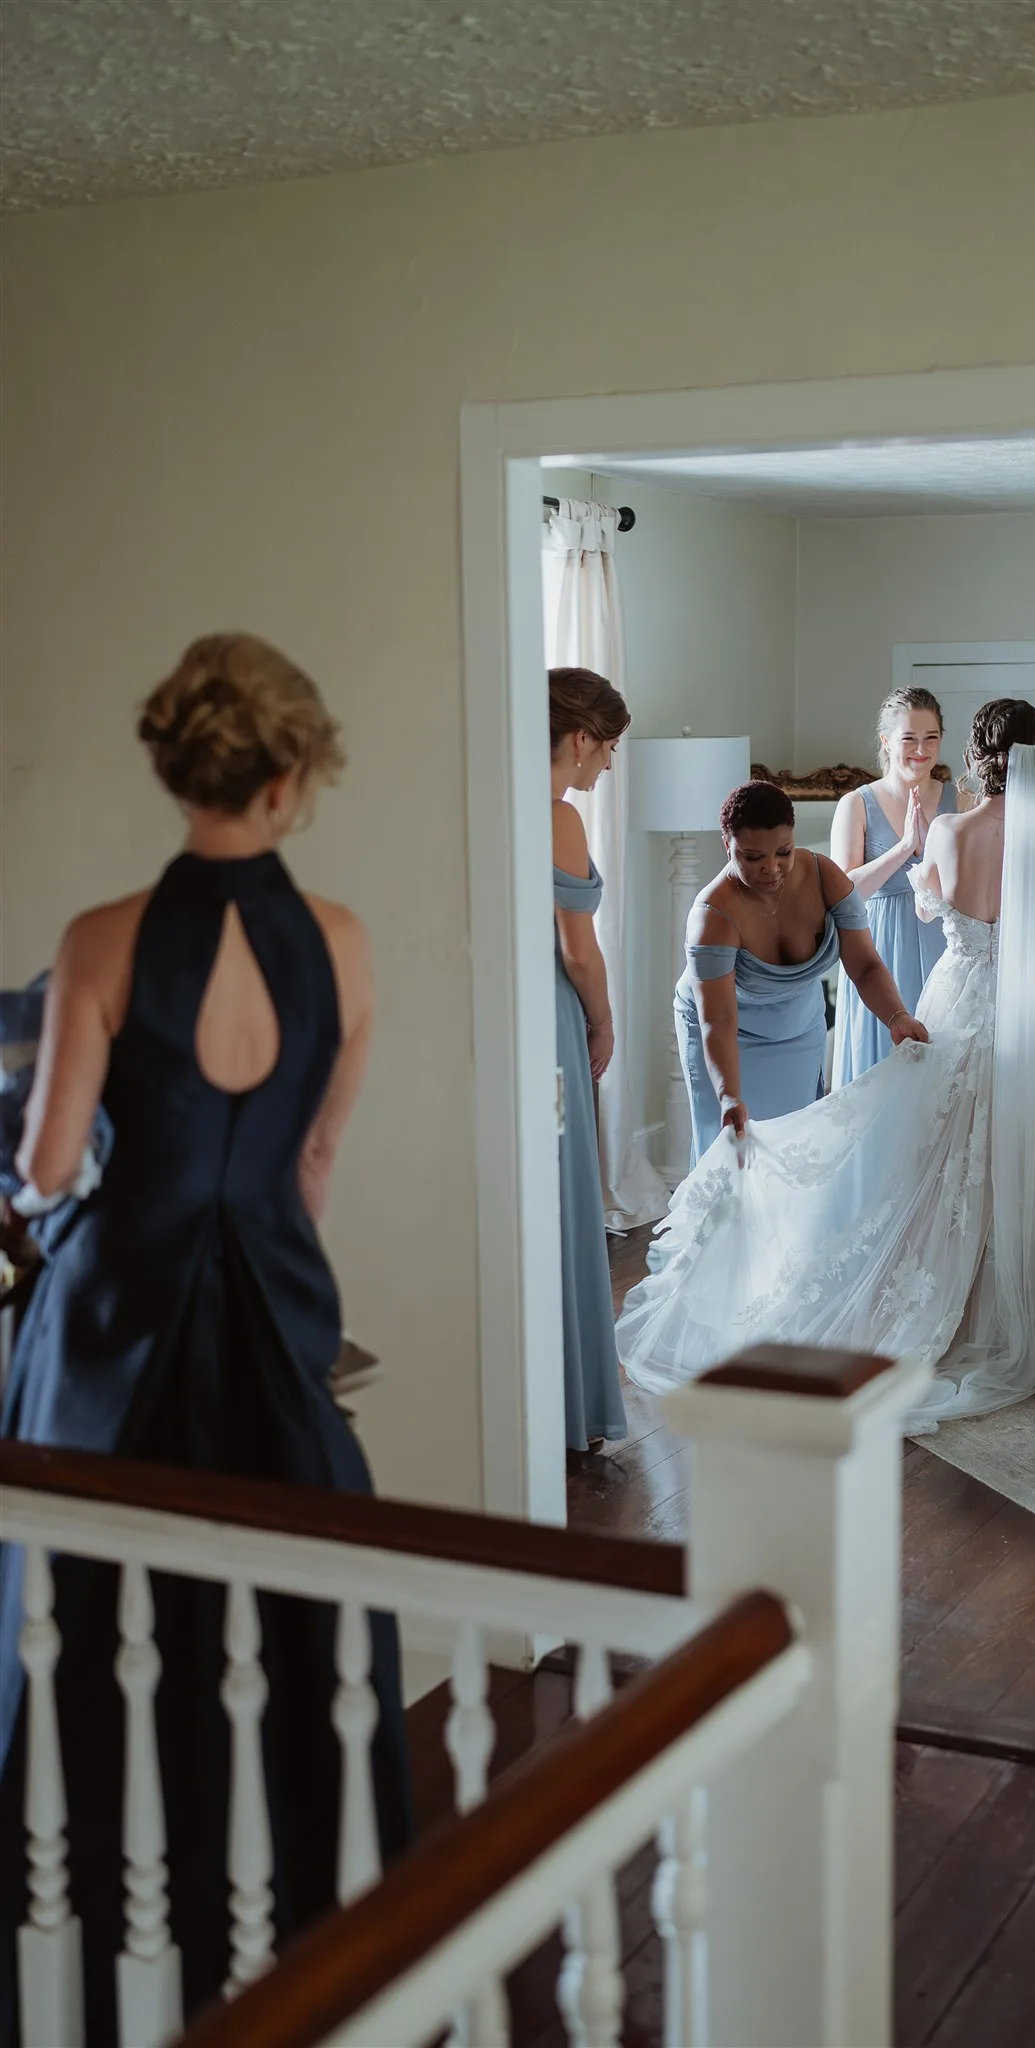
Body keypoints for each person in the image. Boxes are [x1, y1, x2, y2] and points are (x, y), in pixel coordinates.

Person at [0, 633, 409, 2041]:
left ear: (179, 771)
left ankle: (102, 1933)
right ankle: (294, 1937)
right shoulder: (345, 944)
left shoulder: (100, 939)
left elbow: (51, 1166)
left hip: (118, 1312)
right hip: (269, 1297)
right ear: (291, 779)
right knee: (284, 1609)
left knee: (88, 1608)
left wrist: (27, 1196)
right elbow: (310, 1168)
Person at [618, 701, 1035, 1429]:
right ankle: (1021, 1316)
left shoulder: (947, 832)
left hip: (956, 999)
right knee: (1020, 1150)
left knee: (937, 1161)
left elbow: (924, 912)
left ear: (976, 757)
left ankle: (938, 1304)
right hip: (1026, 1015)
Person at [673, 778, 928, 1165]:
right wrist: (729, 1094)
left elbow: (865, 964)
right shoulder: (712, 916)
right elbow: (717, 1020)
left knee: (796, 1154)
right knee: (730, 1159)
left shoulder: (825, 878)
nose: (771, 869)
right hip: (727, 1033)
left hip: (799, 1025)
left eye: (783, 852)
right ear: (728, 847)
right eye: (752, 857)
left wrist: (897, 1015)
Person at [551, 666, 629, 1454]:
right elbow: (579, 951)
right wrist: (601, 1024)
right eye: (604, 749)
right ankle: (569, 1411)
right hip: (548, 1019)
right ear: (578, 740)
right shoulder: (556, 817)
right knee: (565, 1189)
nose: (604, 767)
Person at [829, 687, 957, 1083]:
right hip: (878, 951)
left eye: (930, 738)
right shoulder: (856, 804)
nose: (921, 750)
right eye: (909, 739)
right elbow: (844, 892)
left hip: (945, 950)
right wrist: (905, 849)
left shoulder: (961, 799)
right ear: (887, 742)